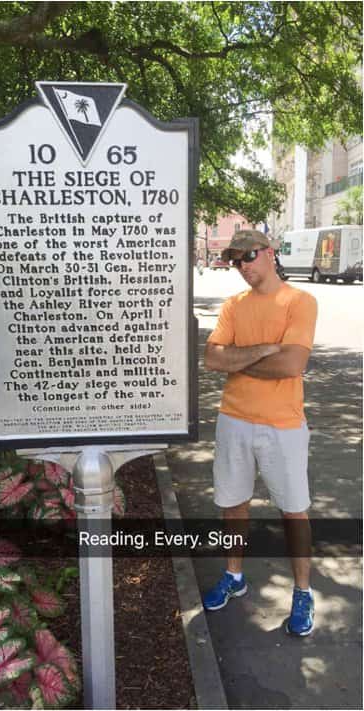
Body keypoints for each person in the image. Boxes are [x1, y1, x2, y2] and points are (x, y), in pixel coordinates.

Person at [201, 229, 319, 636]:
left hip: (282, 425)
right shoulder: (233, 305)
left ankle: (303, 592)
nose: (243, 266)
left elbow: (291, 365)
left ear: (269, 253)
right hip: (233, 418)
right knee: (233, 504)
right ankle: (234, 576)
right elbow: (213, 358)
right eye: (236, 260)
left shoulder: (299, 301)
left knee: (293, 510)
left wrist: (238, 361)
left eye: (249, 256)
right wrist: (265, 349)